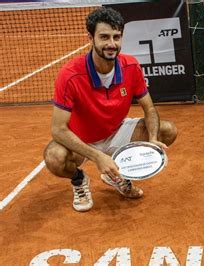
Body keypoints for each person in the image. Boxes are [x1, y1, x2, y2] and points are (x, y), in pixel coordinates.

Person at [43, 7, 177, 212]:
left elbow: (149, 108)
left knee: (167, 130)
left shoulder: (131, 66)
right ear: (90, 37)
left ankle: (117, 175)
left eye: (117, 37)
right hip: (83, 138)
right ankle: (79, 180)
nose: (112, 44)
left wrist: (151, 140)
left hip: (116, 131)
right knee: (54, 157)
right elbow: (58, 129)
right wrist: (97, 156)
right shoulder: (70, 75)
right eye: (104, 37)